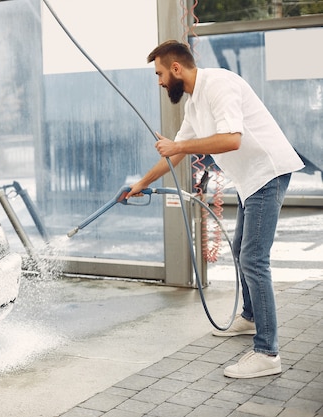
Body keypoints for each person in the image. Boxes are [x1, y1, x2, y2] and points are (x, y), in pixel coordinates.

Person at [126, 40, 304, 378]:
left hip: (269, 173)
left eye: (160, 74)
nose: (160, 82)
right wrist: (142, 183)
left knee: (253, 258)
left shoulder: (219, 84)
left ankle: (267, 353)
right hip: (252, 180)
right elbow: (176, 155)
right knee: (241, 251)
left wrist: (178, 144)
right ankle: (251, 319)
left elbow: (231, 138)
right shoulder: (194, 105)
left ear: (176, 68)